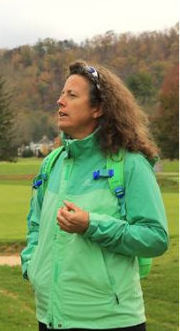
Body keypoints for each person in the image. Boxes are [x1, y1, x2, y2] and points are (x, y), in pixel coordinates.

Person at [21, 60, 169, 331]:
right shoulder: (51, 163)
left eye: (71, 95)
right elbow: (35, 226)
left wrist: (92, 225)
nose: (59, 101)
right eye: (62, 94)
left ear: (98, 108)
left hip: (111, 321)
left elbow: (155, 238)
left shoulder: (130, 164)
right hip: (50, 318)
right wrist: (31, 266)